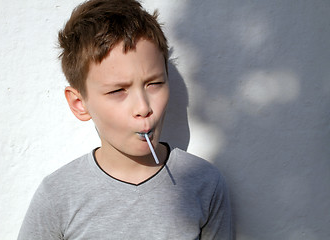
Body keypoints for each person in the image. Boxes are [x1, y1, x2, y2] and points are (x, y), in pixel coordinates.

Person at [18, 0, 233, 239]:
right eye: (118, 91)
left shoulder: (204, 183)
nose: (143, 108)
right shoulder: (57, 196)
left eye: (154, 84)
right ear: (80, 104)